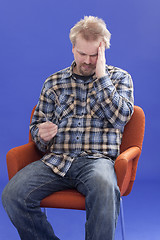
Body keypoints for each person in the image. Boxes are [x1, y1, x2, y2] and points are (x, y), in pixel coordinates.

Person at [2, 16, 134, 240]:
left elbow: (121, 118)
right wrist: (41, 134)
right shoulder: (54, 82)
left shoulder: (120, 79)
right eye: (82, 54)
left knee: (104, 188)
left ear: (103, 52)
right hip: (57, 160)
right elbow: (36, 127)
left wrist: (102, 77)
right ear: (73, 48)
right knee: (12, 195)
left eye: (95, 55)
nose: (88, 61)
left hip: (97, 161)